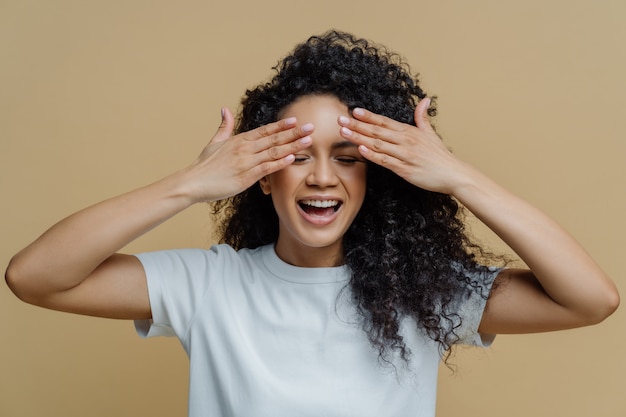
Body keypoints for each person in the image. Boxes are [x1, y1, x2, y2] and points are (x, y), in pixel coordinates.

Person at [5, 30, 619, 416]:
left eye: (348, 160)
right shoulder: (207, 286)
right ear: (261, 174)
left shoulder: (424, 292)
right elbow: (35, 277)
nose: (322, 176)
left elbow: (591, 300)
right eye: (296, 157)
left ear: (374, 178)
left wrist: (458, 176)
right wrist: (190, 184)